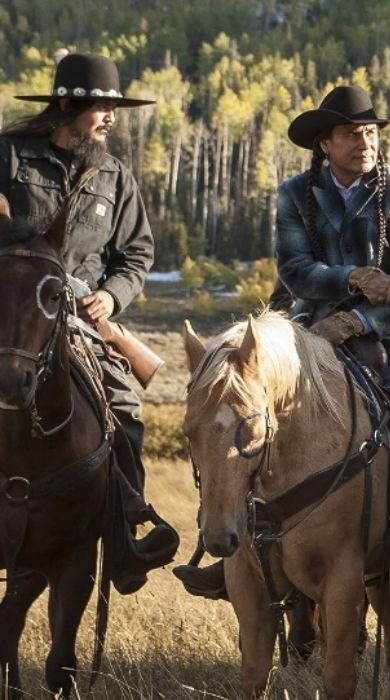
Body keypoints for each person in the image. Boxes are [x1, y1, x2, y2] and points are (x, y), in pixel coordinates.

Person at [175, 85, 390, 597]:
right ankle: (245, 548)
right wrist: (352, 278)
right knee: (254, 426)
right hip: (303, 334)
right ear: (325, 143)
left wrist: (356, 322)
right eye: (351, 134)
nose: (364, 142)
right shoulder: (293, 195)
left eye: (370, 132)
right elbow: (297, 271)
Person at [0, 52, 179, 593]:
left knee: (124, 405)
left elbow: (137, 256)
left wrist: (110, 296)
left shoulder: (115, 176)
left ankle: (126, 532)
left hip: (80, 322)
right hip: (13, 313)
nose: (111, 118)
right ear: (68, 105)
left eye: (113, 109)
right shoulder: (8, 156)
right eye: (103, 107)